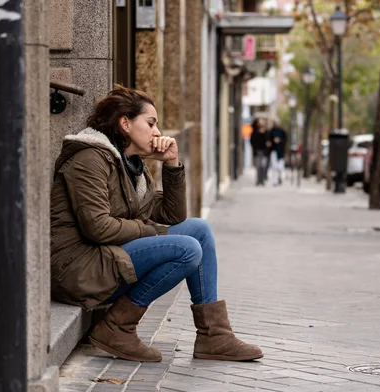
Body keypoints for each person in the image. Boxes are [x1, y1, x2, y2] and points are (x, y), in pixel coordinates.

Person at [50, 85, 263, 363]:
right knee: (186, 249)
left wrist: (172, 164)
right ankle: (117, 327)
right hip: (78, 269)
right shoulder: (89, 159)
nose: (157, 132)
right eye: (150, 123)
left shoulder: (130, 165)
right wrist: (149, 230)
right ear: (125, 123)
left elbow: (173, 215)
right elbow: (98, 227)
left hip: (107, 256)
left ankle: (214, 335)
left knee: (198, 229)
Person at [250, 117, 272, 186]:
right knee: (258, 166)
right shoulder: (255, 132)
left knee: (263, 166)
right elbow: (252, 141)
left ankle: (262, 180)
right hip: (257, 151)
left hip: (264, 152)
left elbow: (269, 141)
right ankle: (258, 180)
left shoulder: (266, 132)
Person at [268, 119, 288, 186]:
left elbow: (285, 140)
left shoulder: (282, 131)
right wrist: (272, 142)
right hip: (274, 151)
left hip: (281, 152)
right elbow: (268, 140)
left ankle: (279, 178)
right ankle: (274, 180)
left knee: (280, 167)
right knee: (274, 167)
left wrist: (280, 140)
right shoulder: (271, 131)